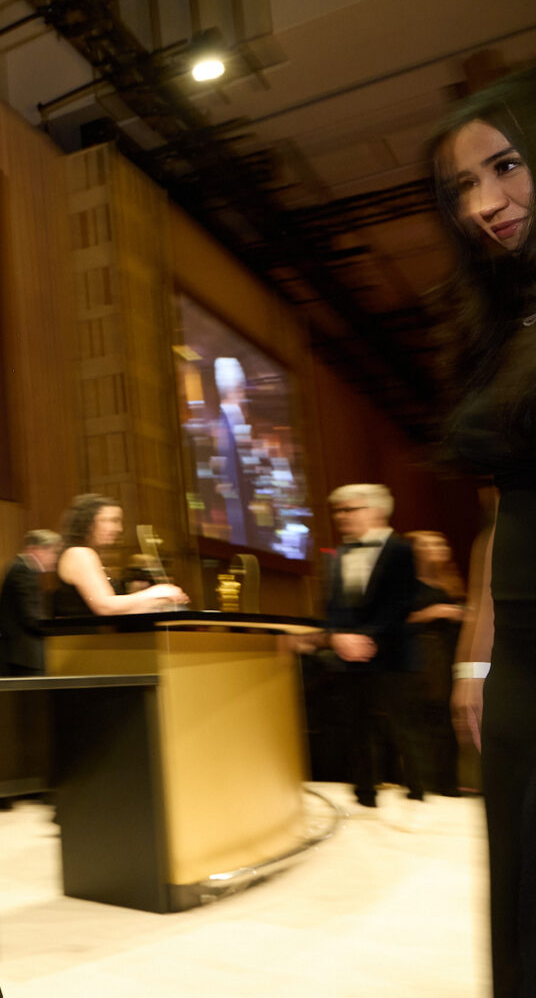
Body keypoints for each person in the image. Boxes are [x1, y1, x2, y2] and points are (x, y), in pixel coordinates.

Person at [433, 68, 536, 998]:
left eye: (505, 166)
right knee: (520, 905)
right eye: (463, 186)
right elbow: (501, 506)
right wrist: (476, 652)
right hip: (523, 661)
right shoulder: (505, 320)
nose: (485, 204)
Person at [316, 484, 427, 811]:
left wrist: (367, 637)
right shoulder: (336, 555)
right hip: (349, 657)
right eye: (338, 511)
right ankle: (365, 799)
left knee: (404, 731)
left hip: (394, 655)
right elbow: (331, 606)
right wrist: (337, 636)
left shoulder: (402, 550)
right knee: (356, 730)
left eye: (350, 510)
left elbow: (402, 603)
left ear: (376, 511)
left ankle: (420, 799)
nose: (341, 517)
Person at [52, 493, 187, 617]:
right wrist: (154, 593)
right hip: (84, 641)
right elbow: (105, 607)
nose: (119, 529)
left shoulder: (83, 553)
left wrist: (161, 601)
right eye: (112, 520)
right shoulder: (79, 553)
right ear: (88, 522)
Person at [404, 530, 466, 795]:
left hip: (447, 657)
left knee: (446, 727)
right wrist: (435, 612)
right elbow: (393, 620)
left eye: (441, 542)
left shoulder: (447, 581)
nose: (439, 547)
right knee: (430, 725)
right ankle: (428, 788)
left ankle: (448, 786)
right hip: (425, 662)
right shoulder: (406, 583)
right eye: (428, 544)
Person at [0, 528, 61, 674]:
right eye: (53, 552)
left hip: (20, 655)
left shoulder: (19, 568)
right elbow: (32, 618)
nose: (55, 559)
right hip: (24, 657)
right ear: (38, 550)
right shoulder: (23, 570)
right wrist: (60, 630)